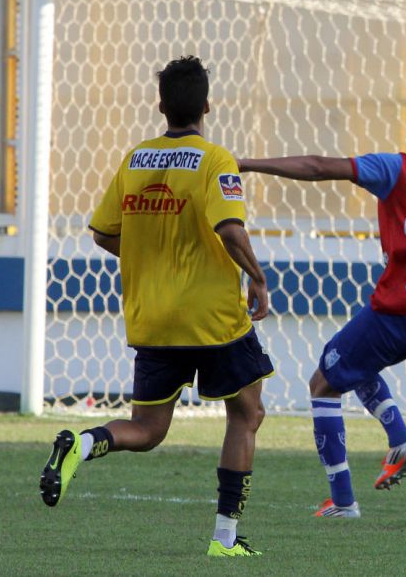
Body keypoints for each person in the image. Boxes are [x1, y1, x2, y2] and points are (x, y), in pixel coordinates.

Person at [39, 56, 274, 557]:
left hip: (151, 317)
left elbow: (104, 232)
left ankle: (81, 444)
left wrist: (152, 254)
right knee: (247, 414)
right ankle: (225, 540)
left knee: (146, 430)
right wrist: (257, 277)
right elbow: (230, 228)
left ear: (161, 105)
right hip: (212, 319)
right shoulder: (215, 160)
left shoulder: (135, 158)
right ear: (207, 105)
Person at [239, 95, 406, 518]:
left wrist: (249, 164)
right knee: (354, 360)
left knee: (322, 383)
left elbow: (317, 167)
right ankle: (401, 438)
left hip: (402, 310)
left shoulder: (397, 168)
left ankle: (343, 500)